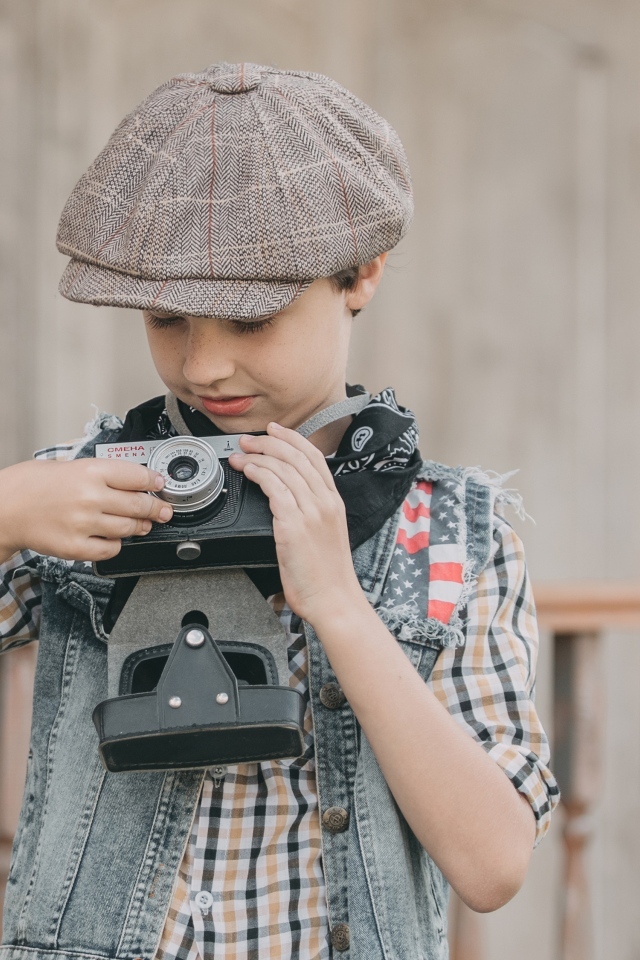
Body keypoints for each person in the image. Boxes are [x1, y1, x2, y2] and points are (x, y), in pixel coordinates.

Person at [0, 62, 558, 960]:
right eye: (166, 320)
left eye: (250, 323)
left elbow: (492, 865)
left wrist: (338, 604)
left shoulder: (450, 531)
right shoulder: (81, 491)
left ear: (363, 273)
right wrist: (8, 507)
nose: (203, 367)